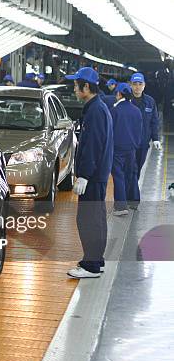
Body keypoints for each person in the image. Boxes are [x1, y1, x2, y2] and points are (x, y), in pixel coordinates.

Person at [66, 67, 113, 278]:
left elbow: (93, 145)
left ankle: (91, 265)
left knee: (88, 219)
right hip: (98, 175)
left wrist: (84, 174)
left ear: (86, 87)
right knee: (95, 217)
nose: (74, 89)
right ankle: (96, 260)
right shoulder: (96, 108)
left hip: (93, 177)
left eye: (76, 85)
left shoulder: (95, 111)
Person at [110, 83, 143, 216]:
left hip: (117, 149)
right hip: (132, 149)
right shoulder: (136, 110)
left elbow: (110, 131)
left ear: (119, 94)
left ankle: (120, 206)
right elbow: (140, 131)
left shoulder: (114, 111)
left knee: (118, 175)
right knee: (131, 174)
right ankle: (133, 201)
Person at [129, 73, 161, 178]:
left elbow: (154, 121)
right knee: (129, 170)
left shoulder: (150, 102)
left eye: (140, 84)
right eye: (135, 84)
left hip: (143, 143)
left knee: (138, 169)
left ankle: (133, 189)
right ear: (130, 85)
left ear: (144, 85)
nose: (137, 86)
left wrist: (155, 138)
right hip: (128, 143)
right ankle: (129, 191)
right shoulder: (125, 100)